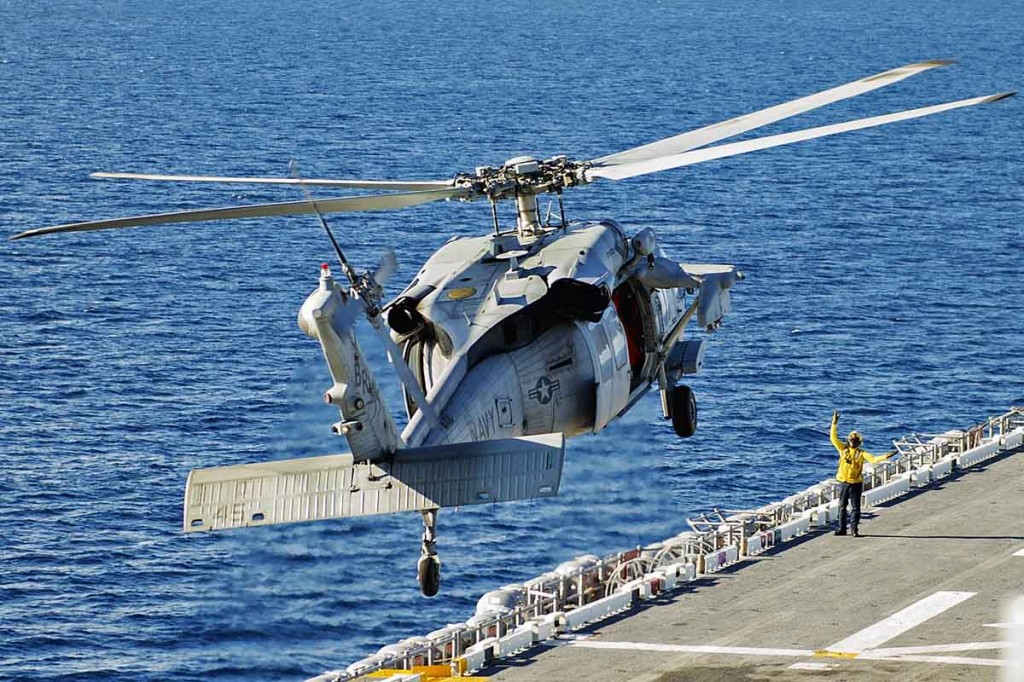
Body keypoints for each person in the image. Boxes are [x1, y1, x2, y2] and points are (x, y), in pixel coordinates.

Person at [830, 411, 892, 537]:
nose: (853, 441)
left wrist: (886, 456)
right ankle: (842, 529)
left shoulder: (861, 453)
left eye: (855, 440)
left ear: (859, 442)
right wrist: (834, 423)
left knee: (855, 508)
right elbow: (833, 438)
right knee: (842, 506)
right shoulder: (843, 449)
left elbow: (873, 459)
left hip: (856, 484)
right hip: (843, 482)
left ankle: (854, 529)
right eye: (851, 440)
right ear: (848, 440)